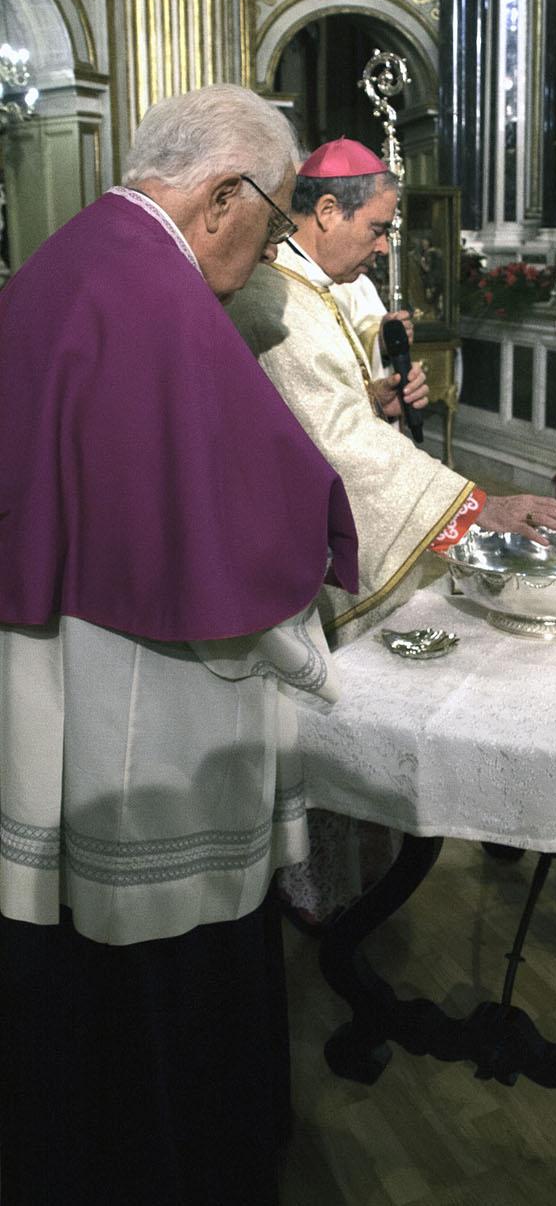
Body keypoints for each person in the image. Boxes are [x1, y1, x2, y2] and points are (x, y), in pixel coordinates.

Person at [0, 84, 358, 1205]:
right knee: (161, 970)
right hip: (140, 703)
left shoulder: (73, 257)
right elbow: (247, 523)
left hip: (48, 663)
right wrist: (313, 651)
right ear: (222, 199)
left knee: (68, 972)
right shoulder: (153, 292)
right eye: (276, 212)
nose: (264, 251)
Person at [227, 136, 556, 923]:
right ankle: (331, 909)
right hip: (293, 560)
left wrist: (383, 401)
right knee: (331, 732)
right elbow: (338, 448)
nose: (387, 246)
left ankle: (367, 889)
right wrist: (477, 506)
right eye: (380, 228)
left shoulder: (311, 290)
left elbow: (345, 417)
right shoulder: (271, 300)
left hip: (321, 537)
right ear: (325, 211)